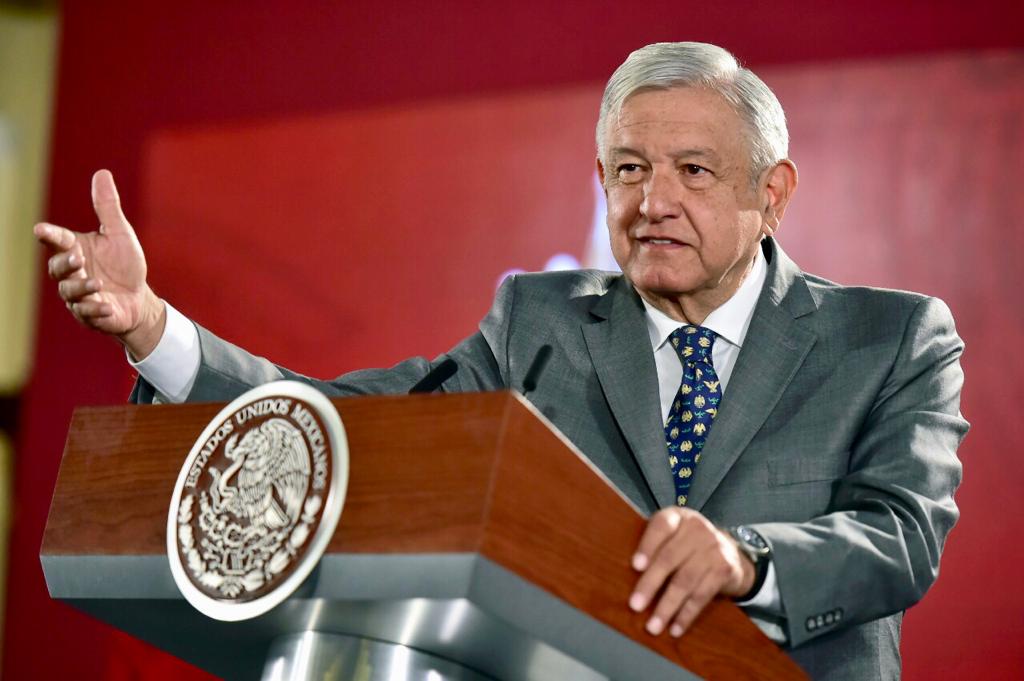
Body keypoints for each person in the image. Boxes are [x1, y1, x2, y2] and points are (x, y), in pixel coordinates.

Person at [35, 42, 966, 679]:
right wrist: (155, 328)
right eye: (629, 169)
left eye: (693, 170)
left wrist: (748, 560)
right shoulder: (540, 322)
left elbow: (900, 534)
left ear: (773, 193)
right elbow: (351, 426)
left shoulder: (889, 338)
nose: (653, 201)